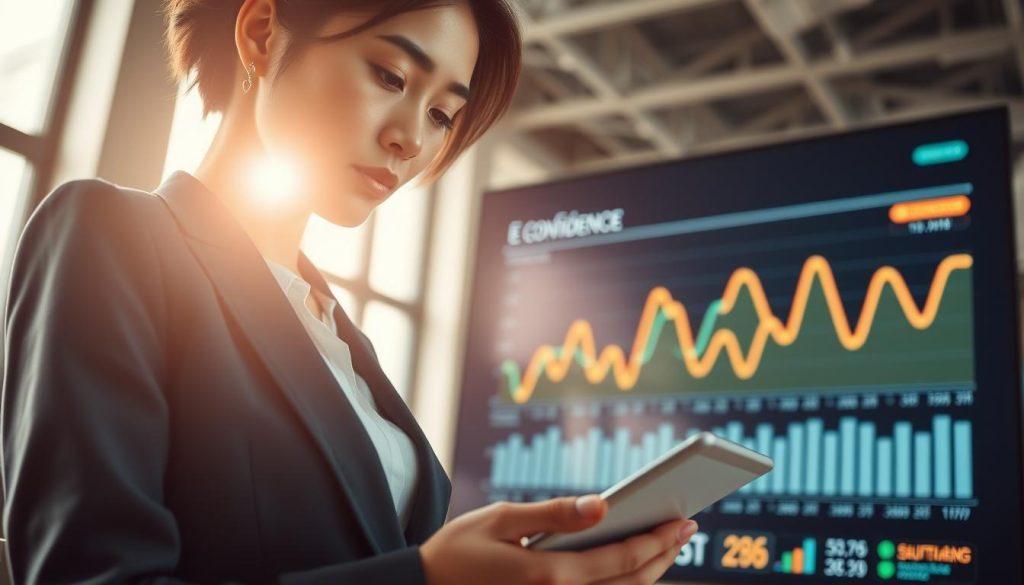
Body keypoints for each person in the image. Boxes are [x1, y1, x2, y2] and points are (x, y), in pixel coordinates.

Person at [0, 1, 697, 583]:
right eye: (391, 75)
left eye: (441, 116)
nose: (410, 141)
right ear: (261, 34)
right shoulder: (114, 233)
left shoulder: (333, 327)